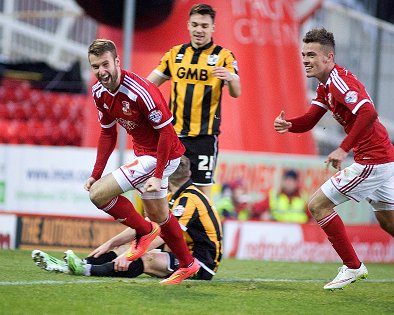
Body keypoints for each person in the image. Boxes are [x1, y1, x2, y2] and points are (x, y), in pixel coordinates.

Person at [273, 28, 394, 298]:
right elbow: (309, 120)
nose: (305, 59)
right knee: (392, 224)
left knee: (317, 205)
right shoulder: (325, 86)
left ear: (329, 57)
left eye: (311, 54)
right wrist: (289, 124)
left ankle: (352, 266)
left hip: (372, 161)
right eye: (303, 54)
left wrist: (343, 149)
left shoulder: (340, 81)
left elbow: (368, 112)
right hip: (385, 160)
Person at [85, 39, 199, 284]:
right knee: (161, 216)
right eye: (95, 67)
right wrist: (96, 172)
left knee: (97, 195)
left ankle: (144, 233)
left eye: (105, 64)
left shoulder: (140, 91)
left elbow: (167, 134)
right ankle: (188, 264)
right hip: (146, 155)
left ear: (117, 61)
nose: (101, 71)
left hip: (162, 155)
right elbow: (108, 133)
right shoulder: (98, 92)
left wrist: (158, 175)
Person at [32, 156, 223, 281]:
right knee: (123, 248)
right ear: (189, 174)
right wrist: (110, 243)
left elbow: (161, 235)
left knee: (146, 258)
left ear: (167, 172)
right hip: (183, 252)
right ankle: (78, 264)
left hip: (202, 263)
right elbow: (147, 228)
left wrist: (131, 255)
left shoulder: (189, 199)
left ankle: (83, 270)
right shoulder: (173, 195)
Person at [147, 3, 241, 198]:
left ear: (213, 28)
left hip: (204, 138)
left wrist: (230, 78)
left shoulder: (223, 56)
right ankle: (160, 228)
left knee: (202, 195)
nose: (199, 30)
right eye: (196, 25)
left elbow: (236, 92)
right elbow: (148, 85)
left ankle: (207, 228)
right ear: (188, 25)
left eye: (205, 26)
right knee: (163, 190)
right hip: (174, 136)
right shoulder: (175, 54)